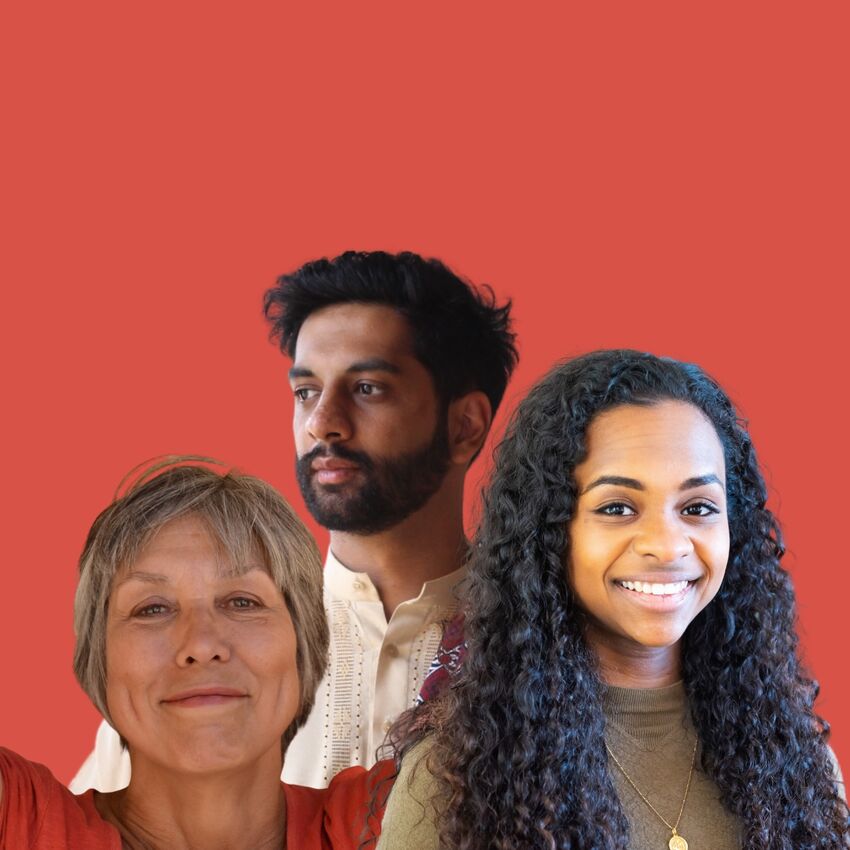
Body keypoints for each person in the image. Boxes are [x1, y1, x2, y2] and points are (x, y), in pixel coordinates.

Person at [71, 251, 518, 792]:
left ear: (465, 426)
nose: (322, 424)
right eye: (306, 392)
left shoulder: (541, 649)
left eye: (367, 388)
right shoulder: (202, 654)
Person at [377, 350, 848, 849]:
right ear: (549, 531)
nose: (666, 545)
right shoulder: (454, 780)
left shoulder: (797, 763)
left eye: (697, 507)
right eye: (618, 508)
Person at [0, 459, 393, 849]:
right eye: (152, 608)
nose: (202, 646)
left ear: (302, 645)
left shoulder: (391, 820)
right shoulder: (20, 825)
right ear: (99, 659)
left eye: (242, 602)